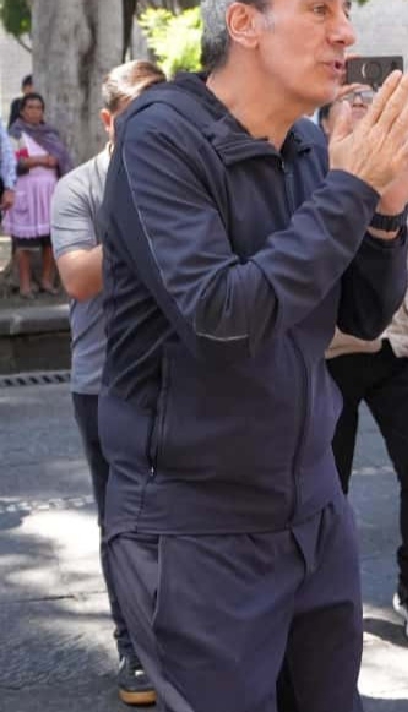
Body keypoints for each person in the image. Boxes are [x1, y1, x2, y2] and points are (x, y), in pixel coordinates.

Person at [98, 0, 408, 712]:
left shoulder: (303, 147)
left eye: (347, 9)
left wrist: (386, 216)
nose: (346, 32)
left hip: (312, 510)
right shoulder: (161, 135)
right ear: (244, 23)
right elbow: (223, 318)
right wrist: (349, 190)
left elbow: (361, 313)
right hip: (198, 528)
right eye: (319, 7)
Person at [49, 60, 165, 707]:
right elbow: (79, 279)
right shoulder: (78, 188)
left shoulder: (185, 179)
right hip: (103, 383)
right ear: (109, 120)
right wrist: (152, 218)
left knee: (185, 516)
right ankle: (133, 644)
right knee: (123, 521)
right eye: (139, 110)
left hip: (180, 376)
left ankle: (179, 634)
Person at [326, 179, 408, 646]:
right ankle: (327, 596)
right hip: (329, 355)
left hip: (397, 349)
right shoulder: (314, 174)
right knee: (327, 486)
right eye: (351, 105)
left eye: (369, 103)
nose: (363, 111)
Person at [5, 92, 73, 297]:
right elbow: (16, 163)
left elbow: (61, 161)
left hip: (49, 193)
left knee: (49, 240)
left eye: (39, 108)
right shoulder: (16, 134)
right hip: (25, 192)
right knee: (23, 243)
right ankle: (25, 285)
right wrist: (43, 160)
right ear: (23, 111)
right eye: (31, 107)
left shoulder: (50, 134)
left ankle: (46, 280)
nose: (35, 112)